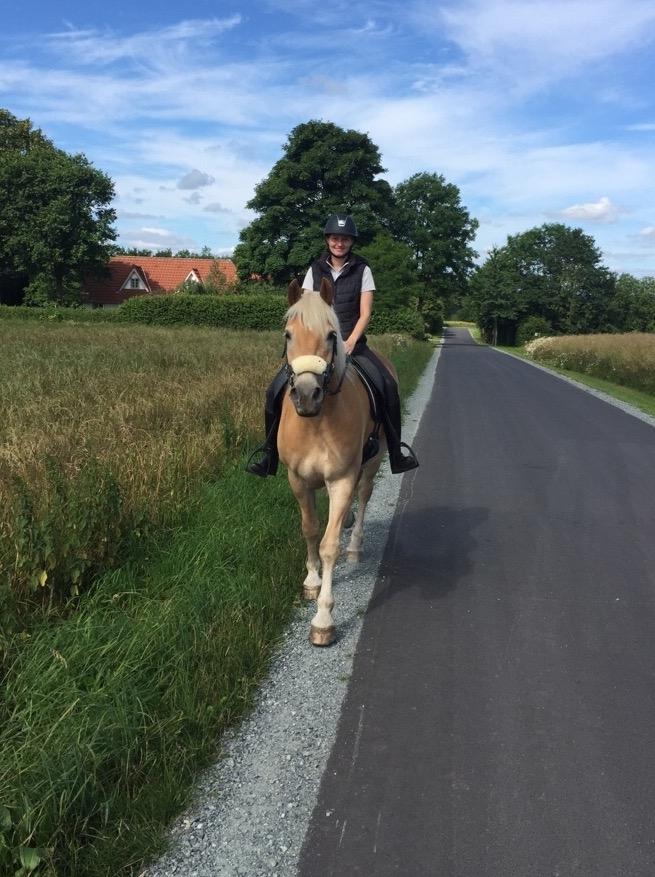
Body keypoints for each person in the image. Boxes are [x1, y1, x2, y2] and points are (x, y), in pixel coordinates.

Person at [246, 213, 419, 477]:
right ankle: (269, 454)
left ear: (351, 242)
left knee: (387, 385)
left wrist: (349, 341)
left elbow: (365, 313)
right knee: (273, 391)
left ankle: (396, 451)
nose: (340, 243)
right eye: (335, 238)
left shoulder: (363, 269)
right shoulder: (315, 270)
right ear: (328, 240)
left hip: (352, 345)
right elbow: (303, 309)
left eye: (345, 239)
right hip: (318, 350)